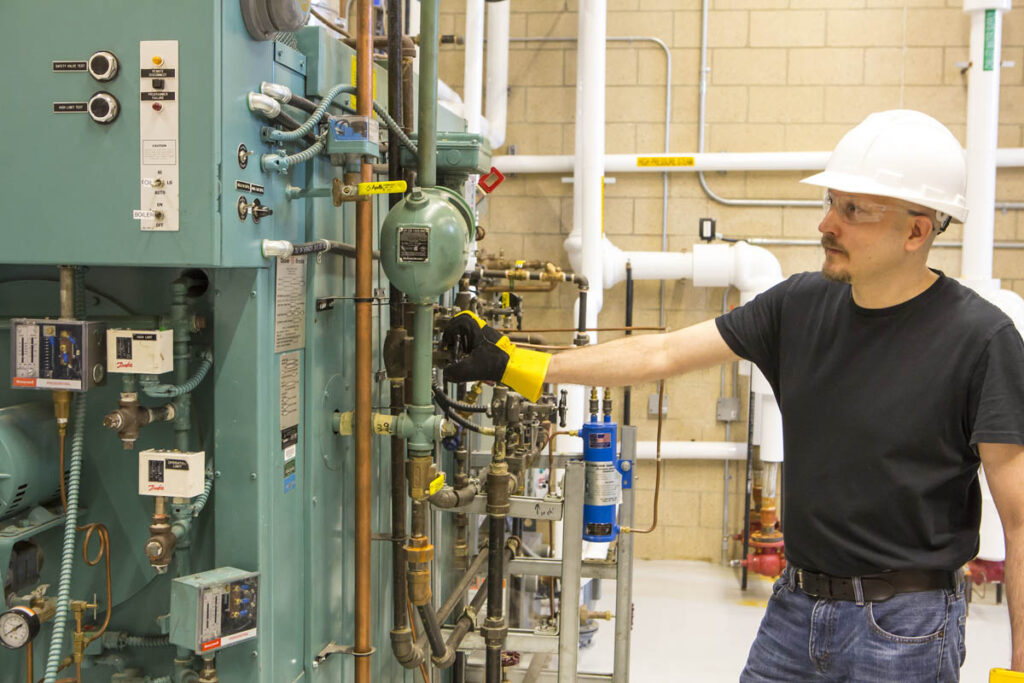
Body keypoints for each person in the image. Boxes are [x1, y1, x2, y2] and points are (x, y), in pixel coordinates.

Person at [441, 110, 1024, 682]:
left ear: (917, 230)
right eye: (830, 202)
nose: (827, 224)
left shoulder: (981, 341)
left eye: (853, 210)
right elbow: (661, 353)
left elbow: (1020, 521)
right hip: (797, 608)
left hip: (906, 627)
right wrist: (517, 363)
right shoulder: (798, 305)